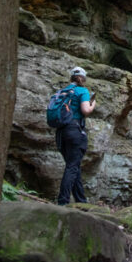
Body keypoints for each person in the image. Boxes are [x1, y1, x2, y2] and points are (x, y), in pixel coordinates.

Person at [56, 66, 96, 206]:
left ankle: (81, 201)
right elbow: (85, 110)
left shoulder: (63, 91)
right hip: (74, 130)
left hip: (61, 132)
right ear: (83, 79)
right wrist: (92, 105)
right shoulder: (82, 91)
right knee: (72, 167)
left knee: (74, 166)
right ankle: (62, 202)